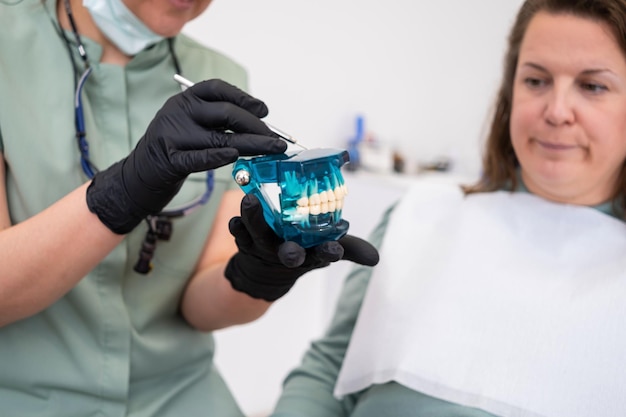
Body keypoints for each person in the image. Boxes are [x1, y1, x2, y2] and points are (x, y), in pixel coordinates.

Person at [0, 0, 379, 416]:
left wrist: (257, 274)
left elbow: (199, 309)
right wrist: (123, 192)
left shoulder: (220, 80)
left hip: (179, 395)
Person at [269, 0, 626, 416]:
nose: (557, 111)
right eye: (535, 80)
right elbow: (328, 371)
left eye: (593, 86)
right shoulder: (422, 216)